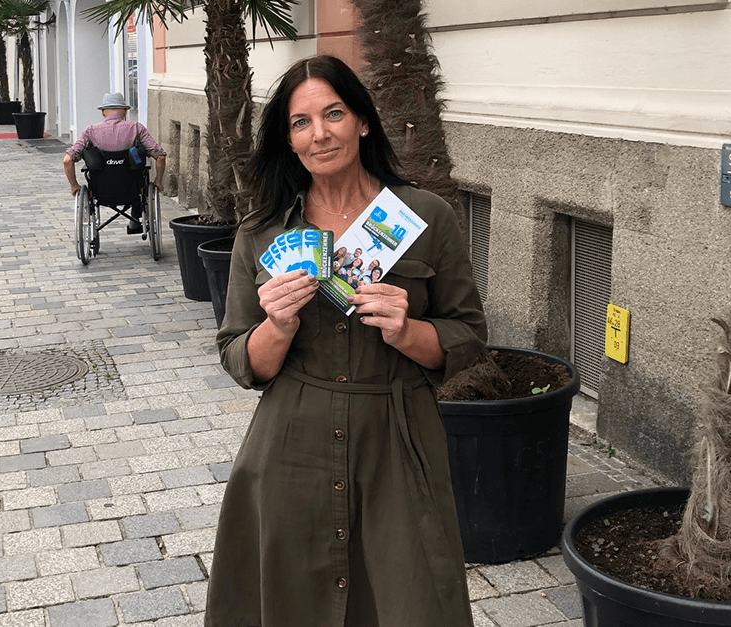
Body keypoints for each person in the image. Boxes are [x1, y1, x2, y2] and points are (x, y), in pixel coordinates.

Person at [205, 55, 486, 627]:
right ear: (288, 140)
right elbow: (239, 358)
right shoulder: (262, 230)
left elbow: (468, 339)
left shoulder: (425, 216)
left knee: (413, 600)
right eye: (300, 122)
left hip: (398, 440)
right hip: (291, 443)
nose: (320, 133)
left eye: (333, 114)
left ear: (362, 120)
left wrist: (408, 331)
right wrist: (277, 327)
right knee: (291, 602)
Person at [62, 92, 166, 234]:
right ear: (125, 111)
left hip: (101, 192)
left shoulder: (91, 131)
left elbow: (67, 160)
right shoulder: (136, 128)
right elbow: (160, 156)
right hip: (133, 191)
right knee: (141, 173)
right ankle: (135, 219)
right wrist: (158, 181)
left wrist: (74, 185)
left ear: (103, 112)